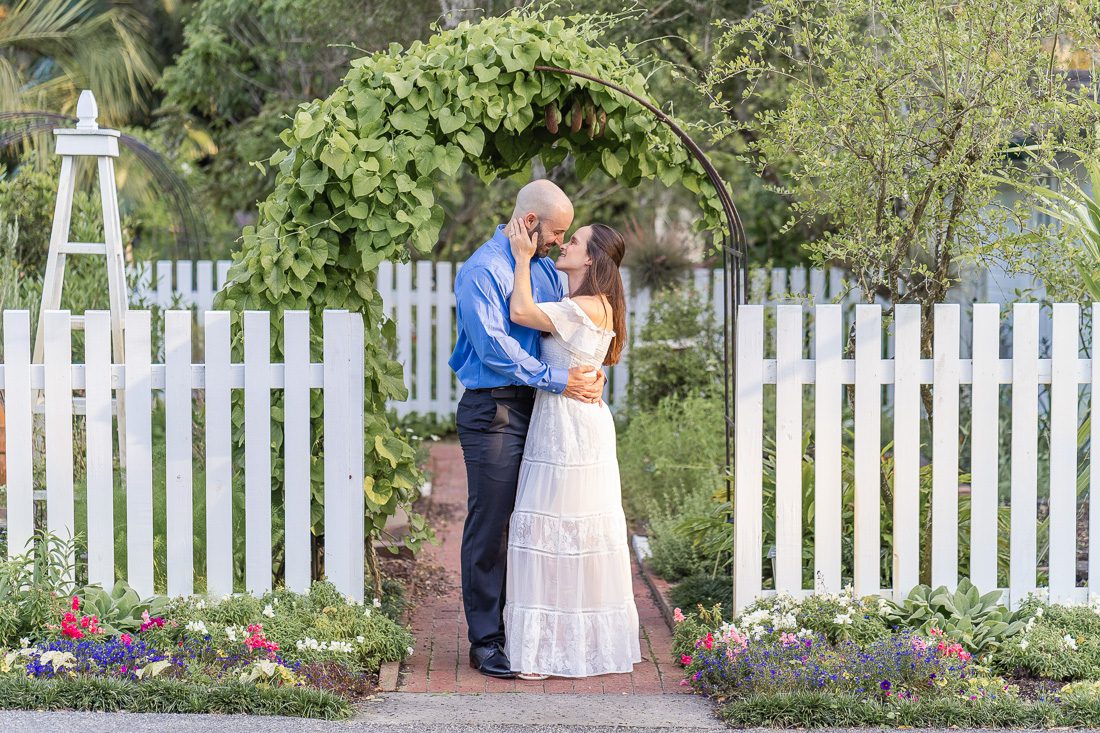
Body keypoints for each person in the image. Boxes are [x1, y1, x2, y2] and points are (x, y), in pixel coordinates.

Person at [449, 180, 606, 679]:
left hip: (541, 408)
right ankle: (487, 642)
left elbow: (562, 326)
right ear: (531, 223)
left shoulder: (543, 268)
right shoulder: (481, 271)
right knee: (491, 527)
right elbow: (496, 347)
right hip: (494, 411)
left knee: (532, 521)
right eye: (558, 232)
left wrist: (587, 366)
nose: (562, 242)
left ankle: (523, 631)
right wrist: (559, 380)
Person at [501, 217, 641, 679]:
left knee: (558, 530)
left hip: (569, 426)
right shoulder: (587, 303)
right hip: (567, 417)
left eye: (574, 241)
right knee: (563, 533)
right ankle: (565, 646)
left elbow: (521, 311)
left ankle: (547, 652)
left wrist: (522, 257)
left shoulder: (585, 304)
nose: (566, 244)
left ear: (591, 258)